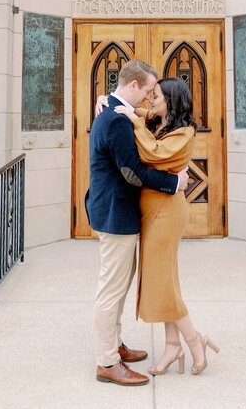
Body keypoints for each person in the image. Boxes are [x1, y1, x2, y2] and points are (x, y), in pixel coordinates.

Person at [86, 60, 189, 387]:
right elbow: (131, 171)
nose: (148, 98)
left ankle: (114, 345)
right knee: (112, 289)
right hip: (116, 213)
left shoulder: (112, 111)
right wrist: (173, 184)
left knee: (118, 285)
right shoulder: (116, 120)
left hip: (117, 212)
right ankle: (106, 362)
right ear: (132, 86)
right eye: (147, 90)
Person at [112, 76, 220, 377]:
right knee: (165, 279)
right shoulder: (160, 122)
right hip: (151, 209)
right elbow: (135, 110)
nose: (150, 100)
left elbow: (153, 154)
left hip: (167, 211)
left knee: (160, 279)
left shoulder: (183, 132)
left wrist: (132, 121)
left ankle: (193, 339)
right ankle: (172, 345)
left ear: (171, 100)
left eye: (156, 96)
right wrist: (105, 102)